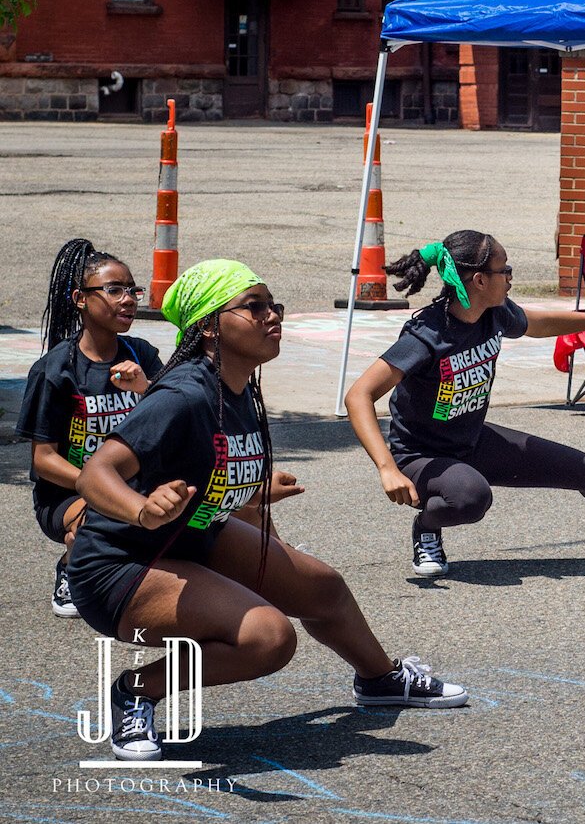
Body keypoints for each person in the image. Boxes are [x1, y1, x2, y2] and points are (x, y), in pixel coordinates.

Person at [69, 260, 470, 762]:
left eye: (272, 305)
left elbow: (211, 477)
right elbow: (95, 474)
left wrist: (256, 492)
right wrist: (143, 510)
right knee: (268, 637)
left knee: (323, 587)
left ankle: (380, 678)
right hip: (118, 566)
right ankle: (137, 691)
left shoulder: (240, 390)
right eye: (253, 306)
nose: (271, 315)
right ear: (210, 326)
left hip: (191, 539)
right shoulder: (183, 394)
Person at [344, 231, 585, 579]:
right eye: (503, 269)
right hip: (421, 456)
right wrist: (387, 468)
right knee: (470, 497)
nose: (510, 276)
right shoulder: (427, 334)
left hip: (471, 439)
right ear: (479, 280)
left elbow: (539, 323)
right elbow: (359, 395)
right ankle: (427, 526)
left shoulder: (494, 313)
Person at [17, 239, 162, 619]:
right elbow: (44, 460)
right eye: (114, 290)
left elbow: (173, 424)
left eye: (132, 290)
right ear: (81, 299)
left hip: (132, 485)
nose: (128, 299)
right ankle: (70, 568)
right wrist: (100, 485)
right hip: (66, 496)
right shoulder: (55, 370)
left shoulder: (141, 356)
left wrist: (145, 388)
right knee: (98, 520)